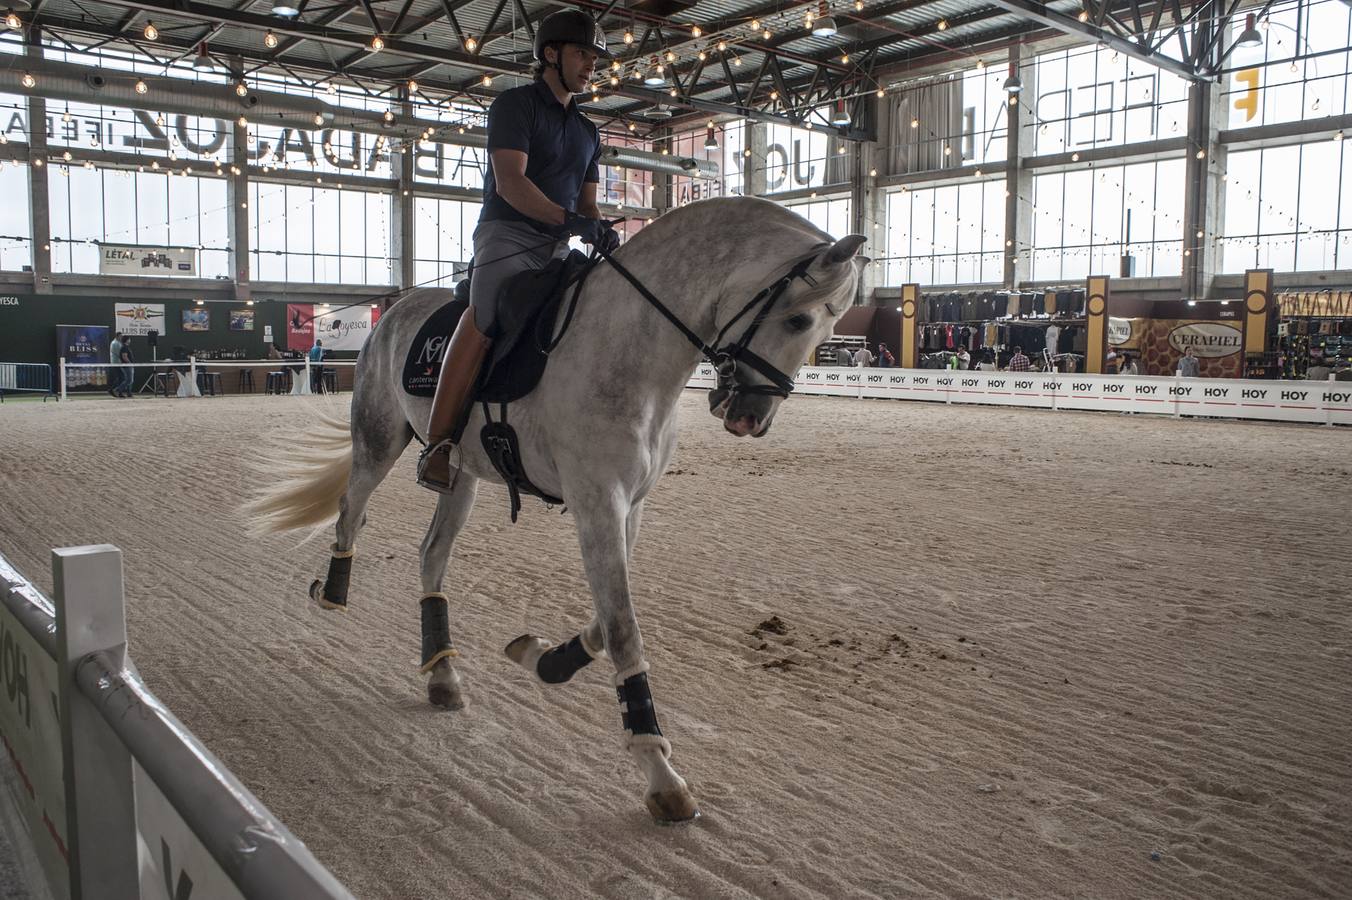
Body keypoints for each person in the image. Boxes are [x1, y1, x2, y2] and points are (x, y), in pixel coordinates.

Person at [419, 8, 617, 493]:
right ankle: (439, 445)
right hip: (506, 237)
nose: (591, 65)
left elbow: (587, 202)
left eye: (594, 57)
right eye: (581, 53)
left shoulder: (588, 131)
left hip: (555, 244)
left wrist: (598, 227)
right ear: (550, 54)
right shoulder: (514, 106)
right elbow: (511, 183)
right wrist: (565, 219)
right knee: (485, 318)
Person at [108, 332, 125, 397]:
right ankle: (113, 390)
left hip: (118, 363)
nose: (121, 337)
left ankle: (116, 391)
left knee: (121, 377)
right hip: (116, 363)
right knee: (122, 377)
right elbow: (119, 353)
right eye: (120, 336)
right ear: (117, 336)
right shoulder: (115, 343)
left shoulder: (118, 343)